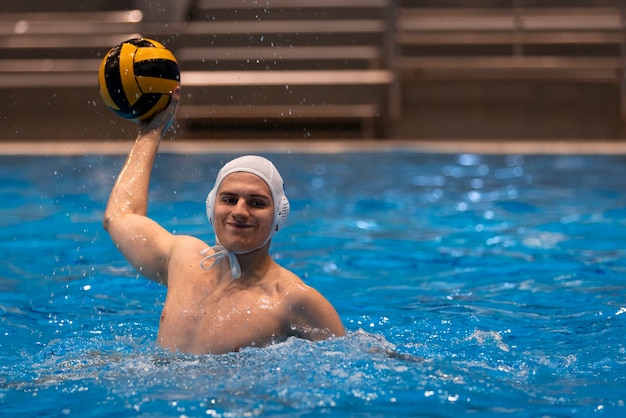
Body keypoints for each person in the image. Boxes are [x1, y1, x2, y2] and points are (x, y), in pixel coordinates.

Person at [103, 87, 345, 354]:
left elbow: (353, 360)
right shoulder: (181, 260)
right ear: (211, 207)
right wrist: (150, 132)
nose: (240, 211)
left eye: (256, 203)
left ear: (279, 216)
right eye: (229, 199)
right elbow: (120, 217)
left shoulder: (292, 299)